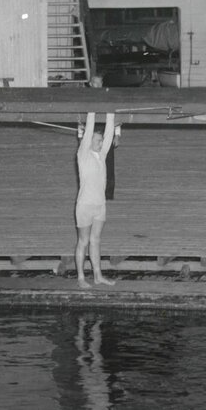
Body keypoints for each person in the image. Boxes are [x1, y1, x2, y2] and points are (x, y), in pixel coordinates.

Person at [75, 112, 117, 288]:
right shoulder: (83, 154)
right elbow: (89, 129)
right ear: (89, 141)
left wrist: (110, 114)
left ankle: (98, 276)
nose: (101, 143)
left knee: (96, 240)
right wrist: (92, 111)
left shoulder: (103, 155)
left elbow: (109, 134)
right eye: (97, 141)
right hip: (85, 205)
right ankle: (81, 278)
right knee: (83, 241)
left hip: (100, 205)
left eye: (101, 141)